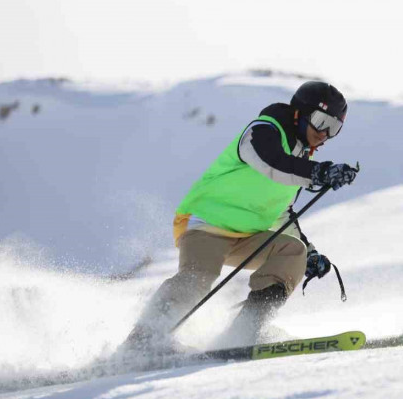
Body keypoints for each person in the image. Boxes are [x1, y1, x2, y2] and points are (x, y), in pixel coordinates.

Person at [120, 81, 358, 353]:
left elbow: (281, 214)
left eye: (335, 128)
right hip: (205, 224)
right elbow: (271, 164)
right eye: (321, 121)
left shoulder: (299, 157)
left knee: (294, 251)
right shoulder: (263, 132)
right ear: (299, 113)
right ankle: (142, 339)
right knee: (199, 277)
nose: (325, 134)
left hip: (245, 235)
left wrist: (310, 254)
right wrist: (319, 172)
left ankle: (245, 331)